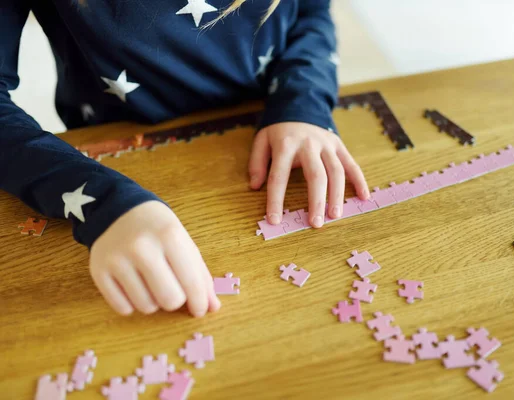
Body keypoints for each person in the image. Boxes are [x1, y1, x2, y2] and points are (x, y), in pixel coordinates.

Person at [0, 0, 370, 318]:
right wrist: (100, 200)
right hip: (116, 149)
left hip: (265, 123)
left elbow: (311, 9)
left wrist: (302, 102)